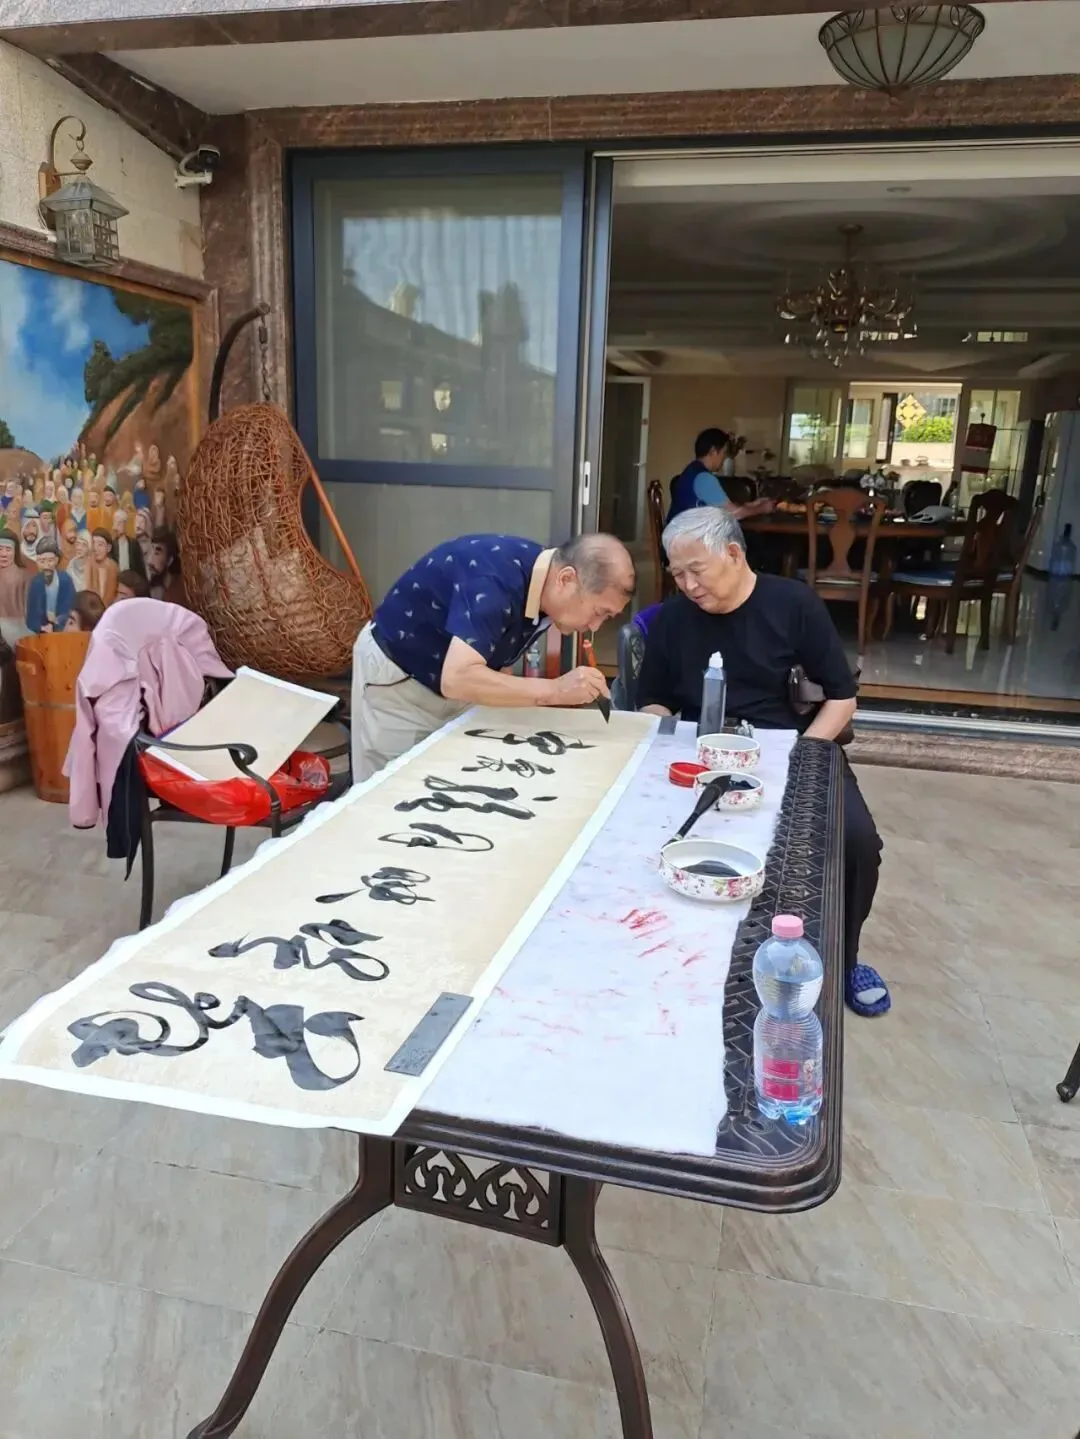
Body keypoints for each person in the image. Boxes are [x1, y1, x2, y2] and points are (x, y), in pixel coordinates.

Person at [637, 506, 888, 1018]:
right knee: (649, 832)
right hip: (701, 755)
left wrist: (803, 756)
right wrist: (668, 748)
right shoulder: (673, 618)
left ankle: (845, 960)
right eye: (677, 574)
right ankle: (675, 956)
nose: (687, 585)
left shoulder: (793, 604)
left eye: (696, 570)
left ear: (733, 553)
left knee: (857, 842)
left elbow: (842, 699)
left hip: (793, 747)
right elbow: (653, 702)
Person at [351, 532, 634, 782]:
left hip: (456, 685)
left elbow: (486, 656)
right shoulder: (493, 581)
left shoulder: (546, 583)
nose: (595, 626)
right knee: (390, 790)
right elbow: (457, 678)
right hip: (400, 678)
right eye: (599, 612)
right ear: (566, 579)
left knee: (452, 781)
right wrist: (556, 690)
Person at [668, 428, 773, 524]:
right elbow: (734, 514)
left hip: (678, 533)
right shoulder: (704, 478)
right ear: (713, 452)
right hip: (685, 537)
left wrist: (751, 505)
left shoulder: (692, 470)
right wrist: (762, 508)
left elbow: (725, 508)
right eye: (724, 452)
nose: (724, 458)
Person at [25, 541, 76, 633]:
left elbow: (70, 608)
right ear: (37, 562)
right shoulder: (35, 582)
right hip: (41, 630)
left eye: (50, 560)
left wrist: (56, 623)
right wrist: (41, 627)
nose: (46, 565)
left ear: (56, 560)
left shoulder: (65, 580)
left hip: (62, 628)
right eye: (42, 561)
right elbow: (32, 614)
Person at [86, 528, 119, 607]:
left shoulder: (113, 567)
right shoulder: (88, 562)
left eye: (100, 544)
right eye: (93, 543)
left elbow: (112, 596)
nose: (95, 548)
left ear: (109, 548)